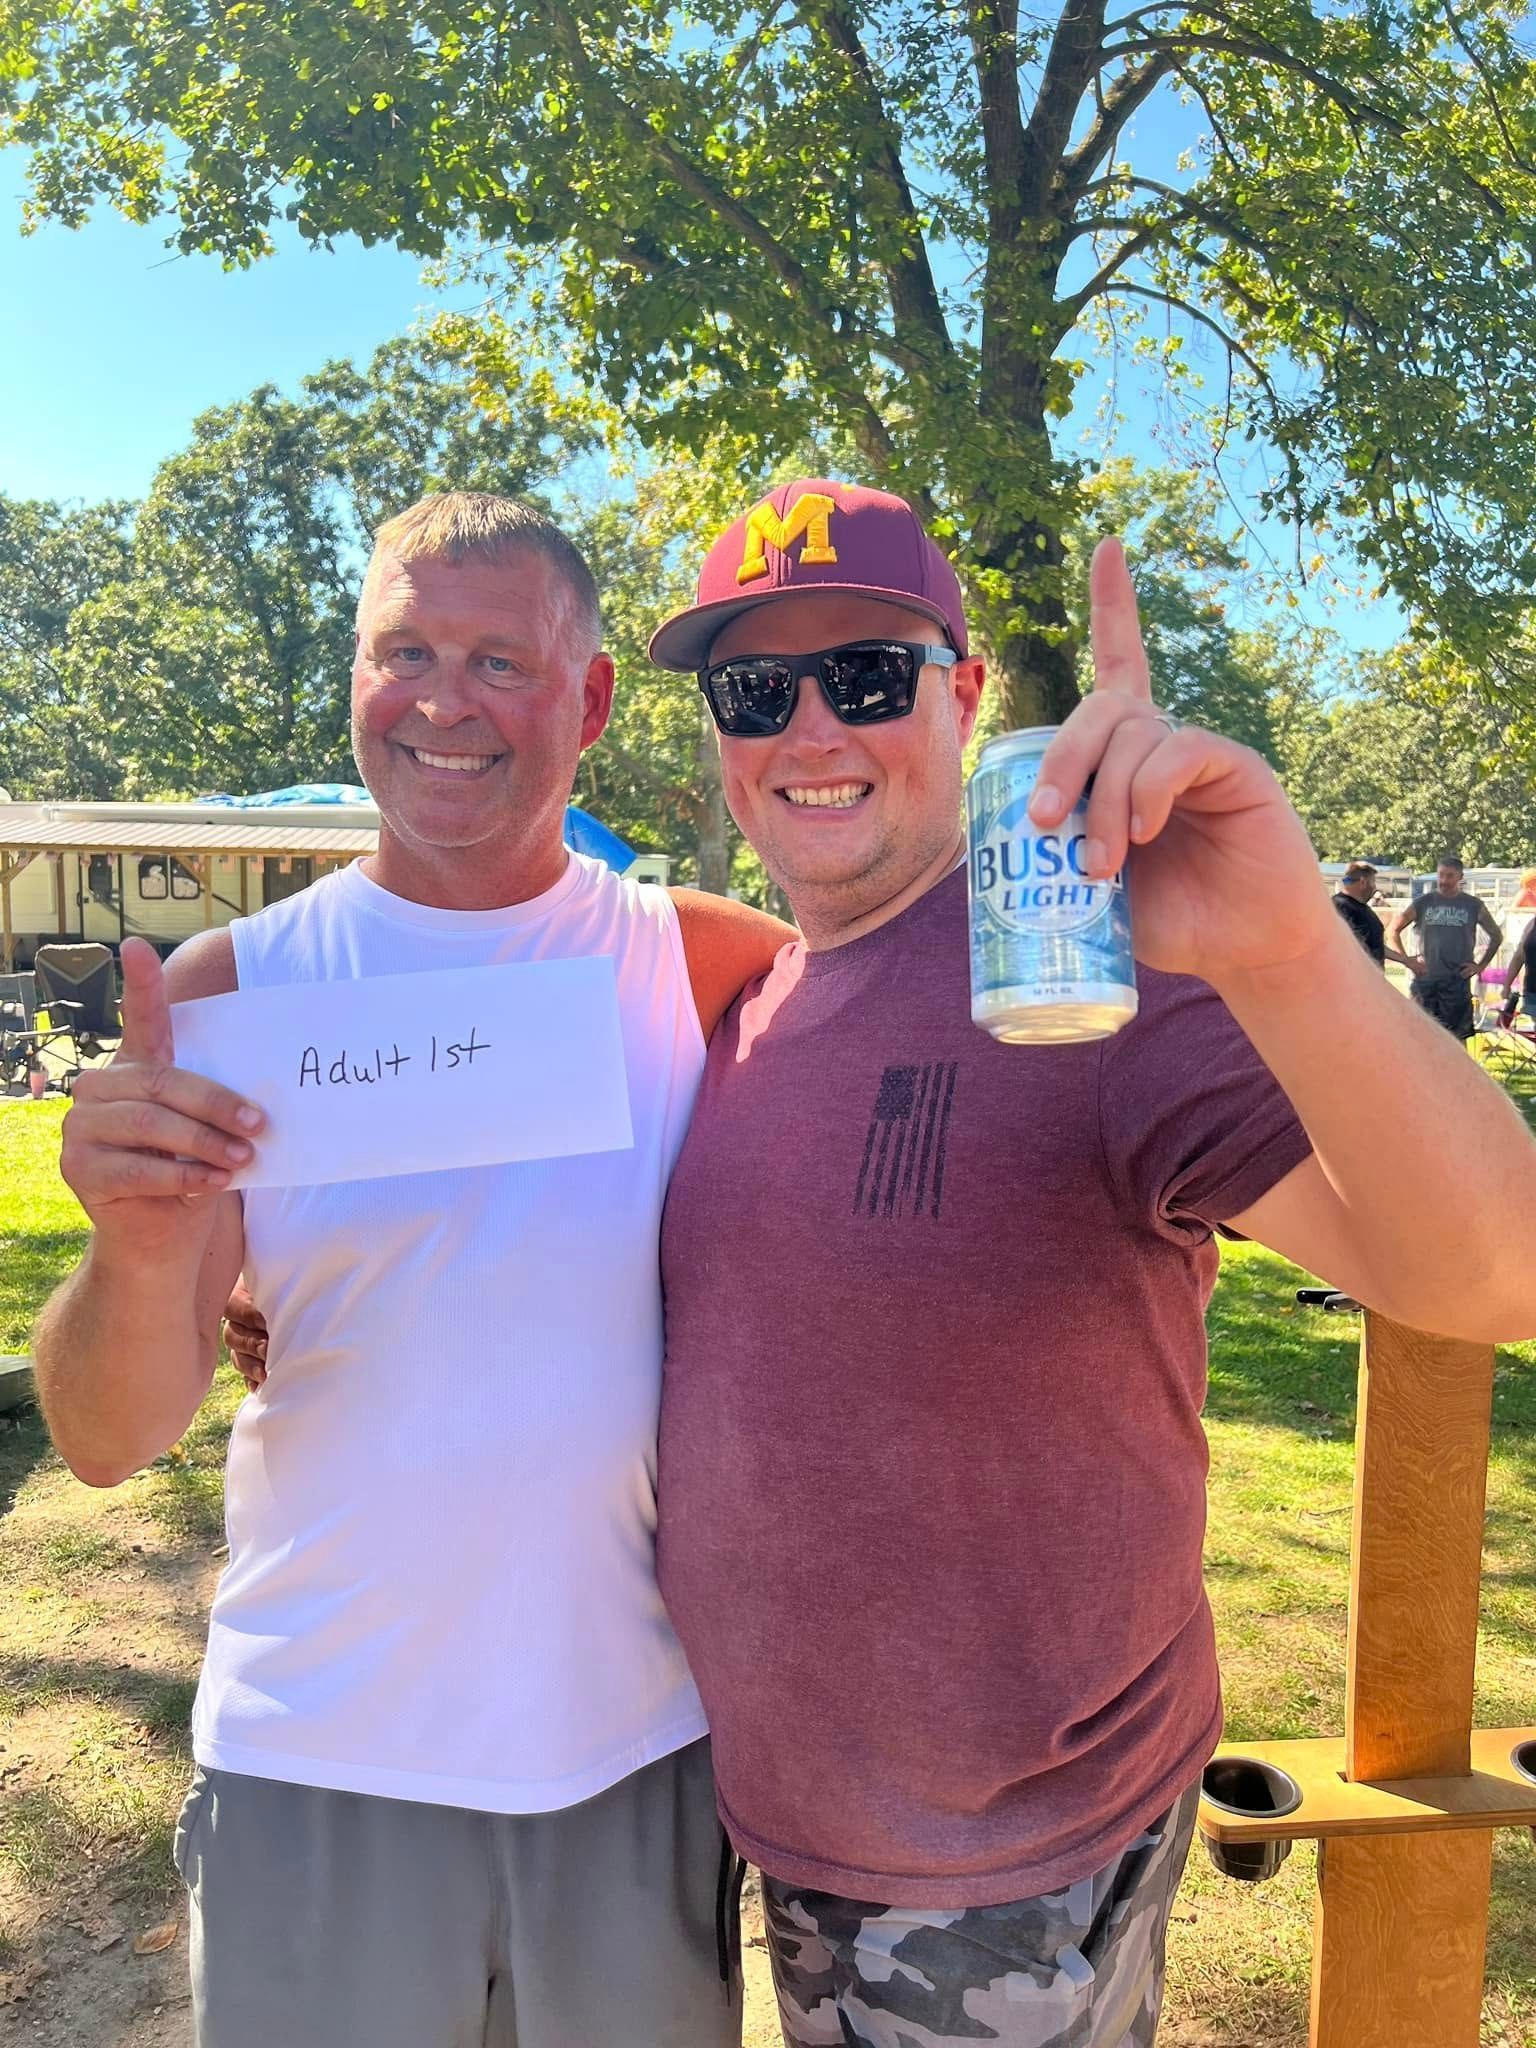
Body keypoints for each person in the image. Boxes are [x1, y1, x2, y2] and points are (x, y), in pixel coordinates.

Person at [640, 480, 1536, 2048]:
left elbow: (1494, 1276)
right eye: (754, 691)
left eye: (866, 675)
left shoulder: (1083, 971)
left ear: (965, 694)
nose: (809, 729)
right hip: (764, 1816)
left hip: (1002, 1872)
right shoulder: (744, 1002)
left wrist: (1285, 953)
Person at [33, 493, 787, 2048]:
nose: (445, 701)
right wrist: (141, 1246)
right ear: (357, 675)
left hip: (631, 1753)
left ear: (589, 699)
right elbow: (107, 1440)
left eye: (500, 661)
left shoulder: (707, 965)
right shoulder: (233, 994)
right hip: (321, 1755)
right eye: (406, 653)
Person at [1388, 856, 1502, 1040]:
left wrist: (1480, 966)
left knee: (1457, 1038)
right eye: (1441, 875)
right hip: (1425, 980)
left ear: (1460, 877)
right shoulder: (1423, 902)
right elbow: (1393, 930)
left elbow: (1496, 936)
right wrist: (1407, 960)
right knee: (1418, 1035)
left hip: (1456, 981)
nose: (1444, 881)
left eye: (1450, 876)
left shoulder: (1473, 905)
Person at [1330, 861, 1413, 970]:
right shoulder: (1340, 907)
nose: (1375, 888)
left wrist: (1405, 960)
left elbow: (1375, 945)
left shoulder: (1362, 908)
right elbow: (1352, 946)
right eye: (1373, 882)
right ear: (1363, 882)